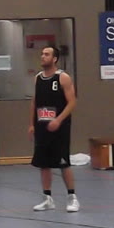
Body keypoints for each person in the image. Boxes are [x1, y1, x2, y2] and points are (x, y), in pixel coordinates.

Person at [30, 44, 79, 213]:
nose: (43, 56)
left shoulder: (63, 78)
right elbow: (34, 102)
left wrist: (58, 120)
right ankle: (47, 199)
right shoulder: (37, 78)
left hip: (60, 128)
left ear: (55, 58)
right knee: (43, 163)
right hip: (42, 126)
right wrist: (31, 124)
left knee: (63, 163)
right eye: (42, 53)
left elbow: (72, 102)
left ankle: (72, 197)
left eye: (47, 54)